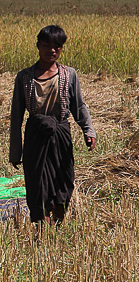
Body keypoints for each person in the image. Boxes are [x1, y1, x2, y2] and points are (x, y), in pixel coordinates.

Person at [10, 25, 96, 225]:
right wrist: (16, 152)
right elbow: (16, 117)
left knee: (64, 185)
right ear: (38, 46)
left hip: (60, 136)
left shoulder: (69, 74)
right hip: (35, 138)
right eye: (47, 46)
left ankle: (57, 226)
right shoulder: (24, 77)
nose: (52, 51)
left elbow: (79, 106)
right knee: (38, 187)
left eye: (57, 47)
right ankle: (42, 232)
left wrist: (88, 130)